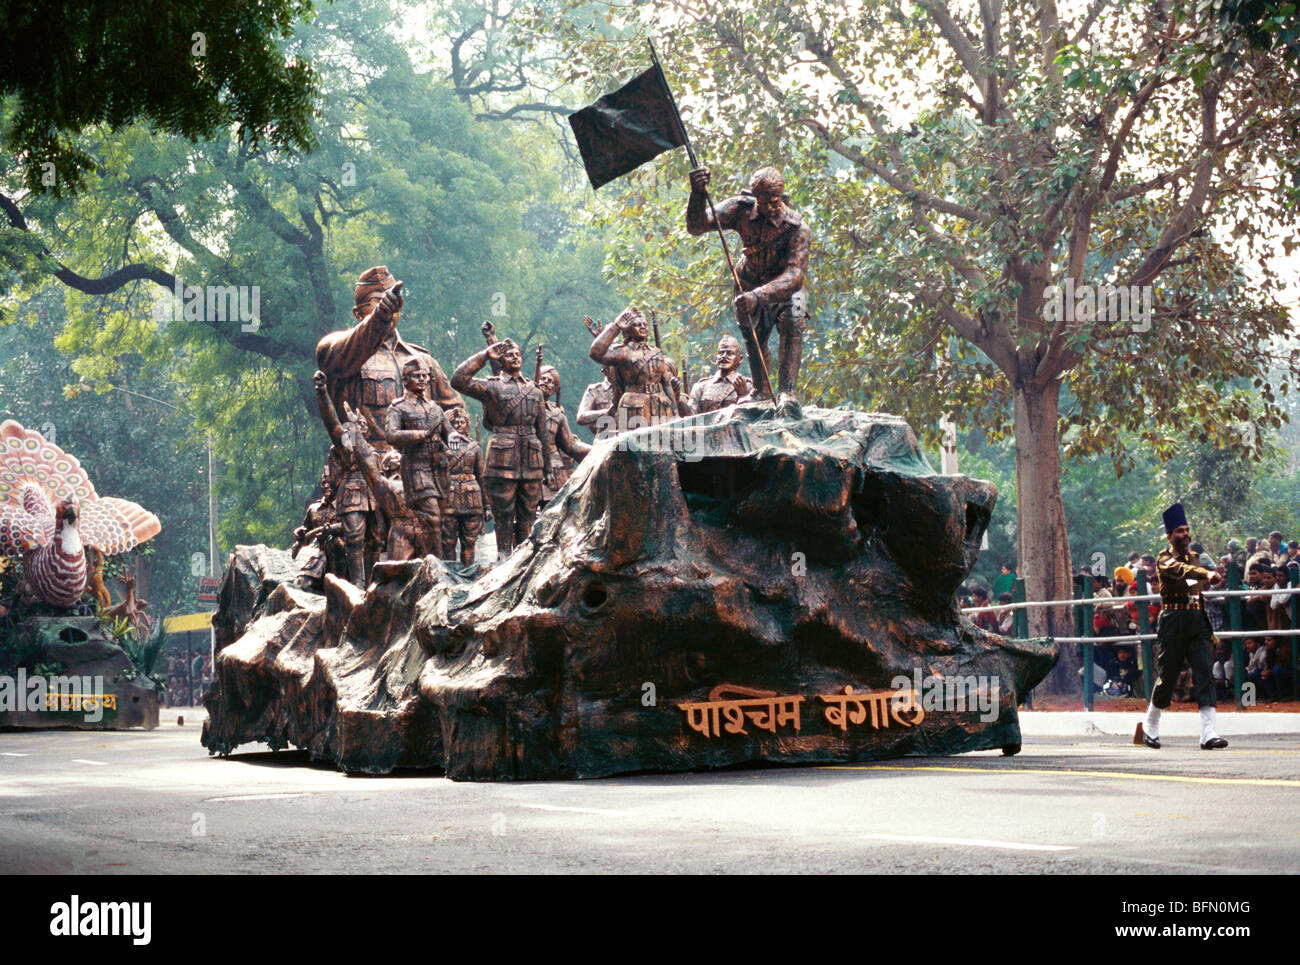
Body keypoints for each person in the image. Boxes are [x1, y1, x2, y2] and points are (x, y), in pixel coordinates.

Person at [685, 165, 810, 404]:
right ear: (756, 198)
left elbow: (795, 275)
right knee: (754, 335)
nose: (772, 207)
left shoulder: (797, 227)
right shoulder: (739, 210)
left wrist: (759, 296)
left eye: (776, 201)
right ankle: (761, 391)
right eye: (765, 202)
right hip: (749, 280)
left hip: (787, 288)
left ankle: (788, 393)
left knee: (794, 321)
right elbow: (696, 226)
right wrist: (697, 194)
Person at [451, 338, 553, 558]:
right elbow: (458, 380)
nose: (515, 357)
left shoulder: (534, 390)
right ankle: (503, 558)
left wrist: (549, 468)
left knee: (528, 514)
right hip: (503, 459)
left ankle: (525, 560)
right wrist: (485, 355)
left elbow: (542, 431)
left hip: (531, 459)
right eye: (508, 355)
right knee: (504, 513)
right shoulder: (492, 386)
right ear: (500, 360)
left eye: (517, 354)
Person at [1137, 503, 1228, 750]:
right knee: (1167, 674)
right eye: (1179, 531)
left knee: (1204, 671)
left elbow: (1193, 583)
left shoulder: (1195, 559)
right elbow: (1182, 572)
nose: (1185, 534)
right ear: (1169, 536)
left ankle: (1208, 733)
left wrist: (1210, 578)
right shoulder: (1164, 559)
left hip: (1197, 618)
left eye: (1187, 530)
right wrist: (1205, 574)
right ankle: (1150, 725)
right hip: (1173, 620)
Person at [385, 358, 454, 557]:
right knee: (431, 518)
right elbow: (392, 435)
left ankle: (428, 559)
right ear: (405, 380)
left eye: (424, 376)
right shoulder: (398, 408)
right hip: (416, 468)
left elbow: (448, 433)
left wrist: (456, 440)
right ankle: (437, 566)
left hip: (438, 470)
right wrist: (421, 435)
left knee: (438, 520)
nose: (422, 379)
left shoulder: (435, 408)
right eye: (417, 376)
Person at [589, 307, 680, 431]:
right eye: (637, 325)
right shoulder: (623, 352)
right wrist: (616, 326)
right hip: (634, 407)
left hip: (660, 406)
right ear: (627, 329)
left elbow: (666, 384)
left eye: (645, 324)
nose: (643, 327)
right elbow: (596, 353)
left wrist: (675, 412)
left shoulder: (656, 352)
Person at [438, 407, 487, 567]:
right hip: (449, 499)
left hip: (472, 499)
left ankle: (467, 573)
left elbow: (482, 478)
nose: (459, 425)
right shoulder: (441, 446)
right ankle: (450, 575)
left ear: (467, 424)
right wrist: (441, 424)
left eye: (462, 422)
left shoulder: (475, 448)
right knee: (448, 540)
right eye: (454, 422)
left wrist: (487, 506)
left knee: (469, 541)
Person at [536, 361, 591, 502]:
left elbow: (571, 446)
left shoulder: (557, 414)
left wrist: (596, 451)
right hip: (528, 469)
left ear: (555, 389)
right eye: (543, 378)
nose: (546, 383)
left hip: (554, 475)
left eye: (551, 382)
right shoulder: (522, 407)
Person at [686, 335, 753, 414]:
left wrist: (743, 397)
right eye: (721, 353)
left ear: (740, 358)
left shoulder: (748, 386)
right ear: (716, 357)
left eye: (729, 353)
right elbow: (689, 417)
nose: (724, 356)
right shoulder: (701, 386)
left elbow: (753, 419)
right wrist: (678, 399)